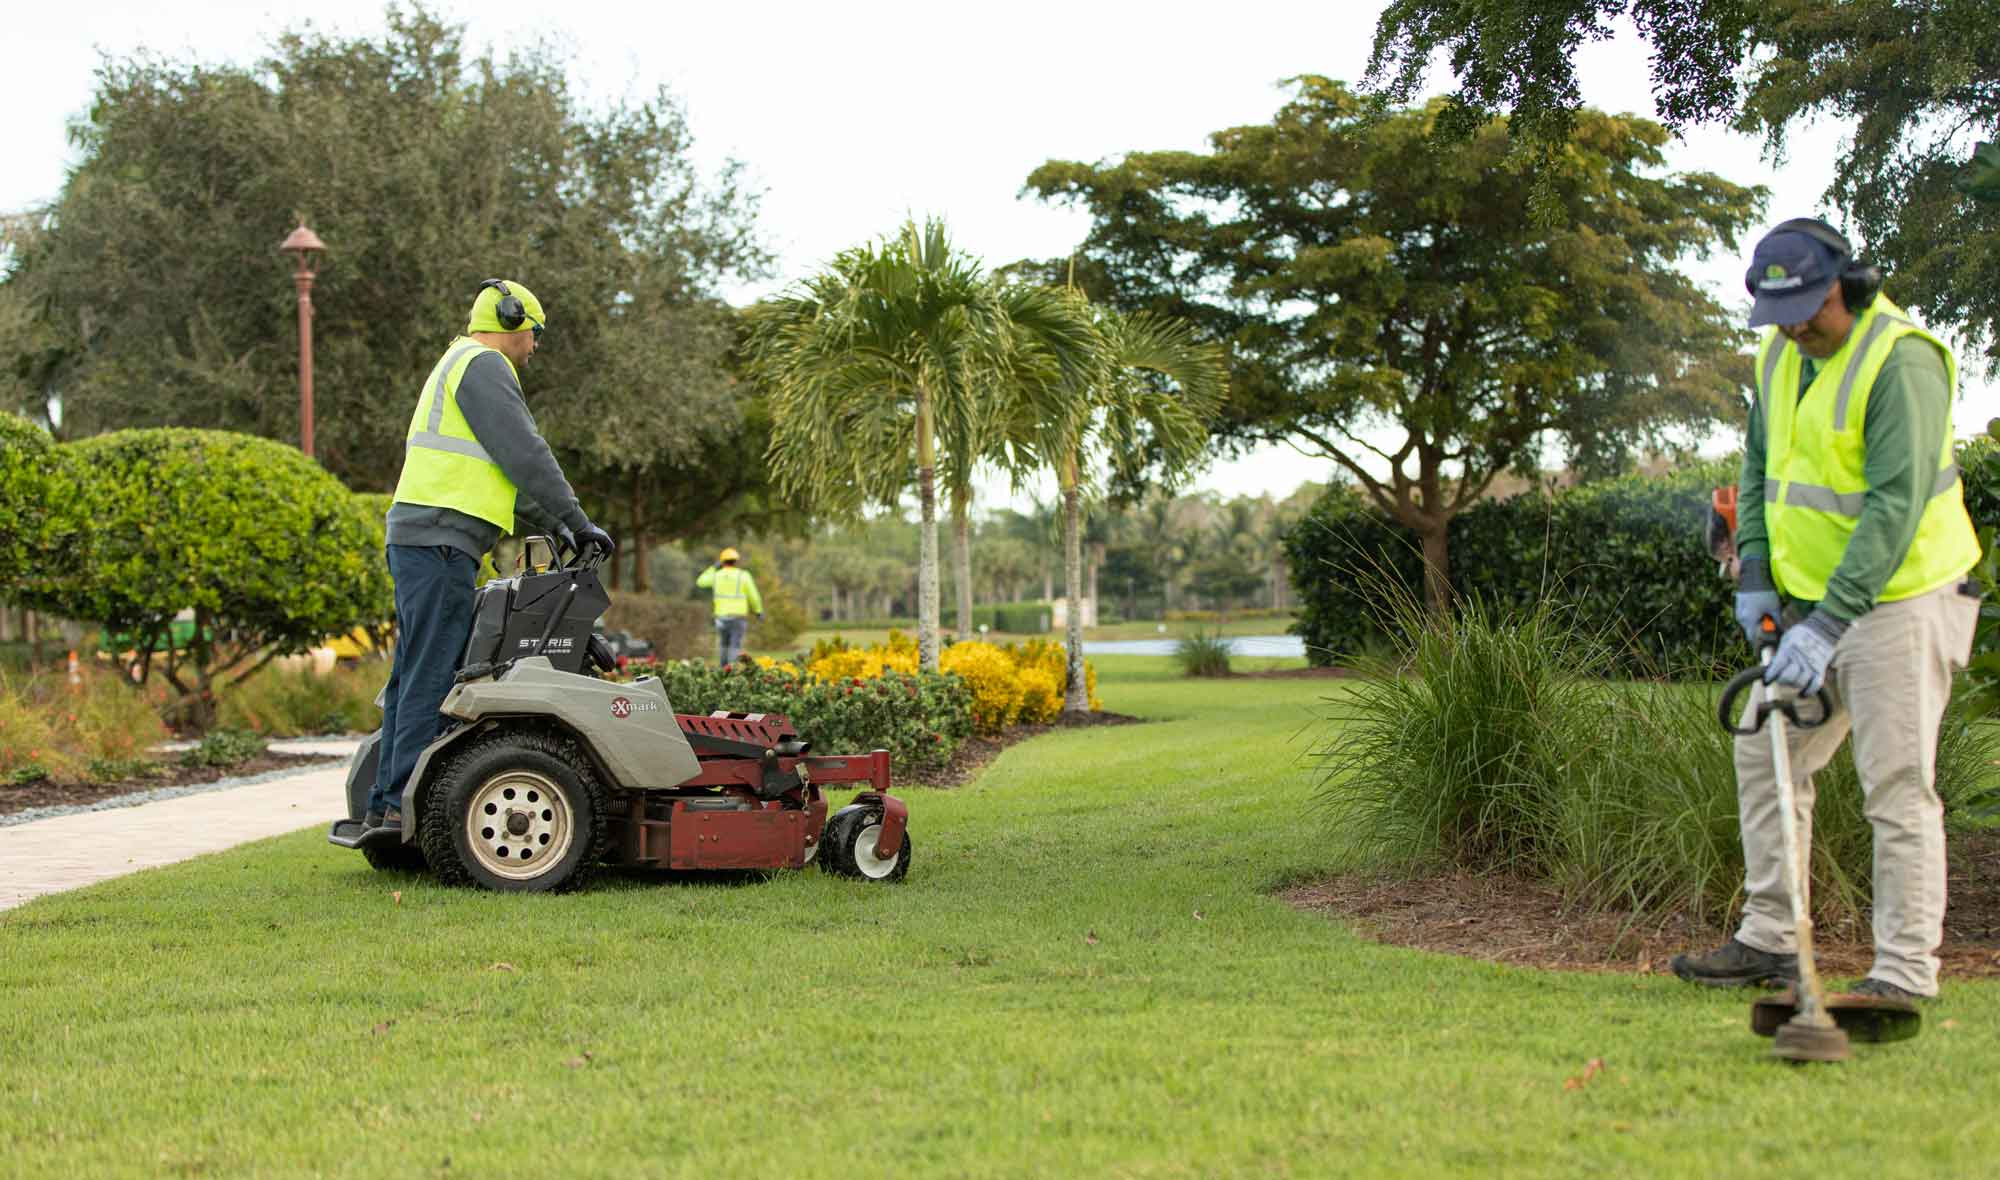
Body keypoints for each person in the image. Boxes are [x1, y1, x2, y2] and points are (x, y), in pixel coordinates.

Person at [1670, 219, 1981, 1002]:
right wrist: (1757, 575)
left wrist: (1828, 624)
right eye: (1783, 312)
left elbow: (1892, 508)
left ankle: (1904, 973)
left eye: (1811, 306)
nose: (1800, 325)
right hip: (1808, 605)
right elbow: (1762, 469)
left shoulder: (1902, 360)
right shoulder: (1780, 351)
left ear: (1849, 285)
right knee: (1767, 752)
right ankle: (1772, 938)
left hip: (1902, 600)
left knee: (1897, 785)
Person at [364, 279, 616, 830]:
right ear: (514, 320)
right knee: (432, 673)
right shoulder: (483, 365)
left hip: (425, 540)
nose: (534, 348)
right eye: (535, 335)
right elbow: (526, 453)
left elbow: (512, 479)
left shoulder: (458, 363)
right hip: (437, 542)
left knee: (414, 672)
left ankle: (385, 802)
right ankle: (404, 807)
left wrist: (565, 527)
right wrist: (577, 520)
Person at [697, 547, 763, 665]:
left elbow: (700, 581)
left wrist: (713, 568)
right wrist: (758, 610)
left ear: (722, 562)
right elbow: (754, 595)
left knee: (723, 644)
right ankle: (732, 671)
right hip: (738, 617)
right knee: (735, 645)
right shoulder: (743, 576)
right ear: (736, 561)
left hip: (721, 617)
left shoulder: (716, 575)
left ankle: (723, 670)